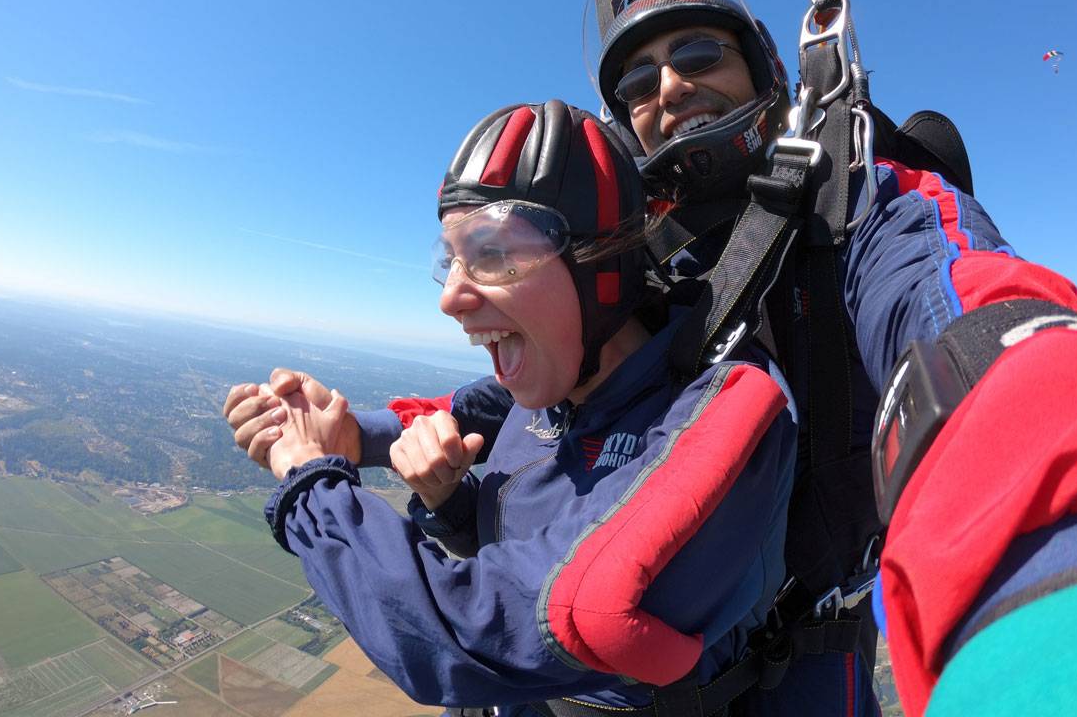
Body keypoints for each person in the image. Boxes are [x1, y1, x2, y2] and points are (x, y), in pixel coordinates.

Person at [225, 0, 1077, 715]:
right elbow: (509, 401)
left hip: (798, 656)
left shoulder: (858, 205)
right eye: (638, 83)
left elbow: (963, 307)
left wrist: (1074, 478)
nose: (670, 86)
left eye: (698, 55)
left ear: (766, 75)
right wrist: (363, 436)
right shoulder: (643, 255)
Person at [252, 99, 800, 715]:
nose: (452, 298)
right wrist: (346, 433)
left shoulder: (720, 418)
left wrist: (311, 485)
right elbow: (444, 414)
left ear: (600, 265)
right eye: (452, 259)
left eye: (494, 254)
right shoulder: (549, 387)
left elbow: (468, 630)